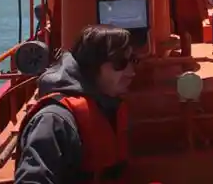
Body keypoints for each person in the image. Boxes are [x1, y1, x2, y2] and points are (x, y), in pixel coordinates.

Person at [14, 25, 137, 183]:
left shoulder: (108, 105)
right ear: (93, 64)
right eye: (120, 63)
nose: (131, 72)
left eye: (133, 61)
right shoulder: (54, 119)